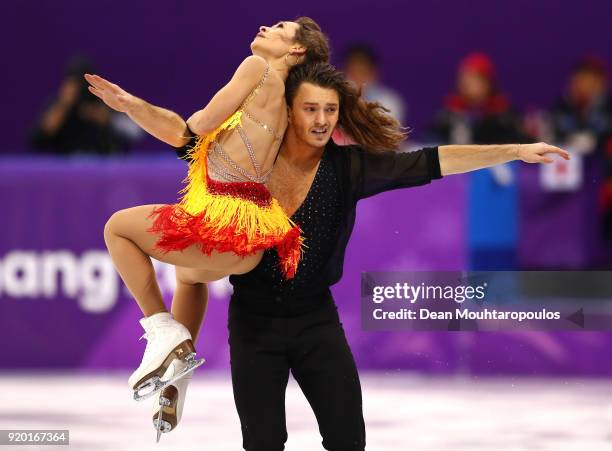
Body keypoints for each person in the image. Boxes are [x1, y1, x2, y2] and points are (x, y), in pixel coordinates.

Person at [129, 61, 569, 449]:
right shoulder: (252, 160)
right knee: (262, 443)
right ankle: (171, 350)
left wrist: (513, 151)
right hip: (253, 324)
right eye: (310, 109)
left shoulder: (351, 166)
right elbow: (183, 137)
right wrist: (129, 105)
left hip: (316, 323)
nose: (321, 120)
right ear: (288, 111)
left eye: (330, 110)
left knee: (347, 440)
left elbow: (432, 161)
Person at [84, 17, 330, 438]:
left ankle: (164, 334)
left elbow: (195, 126)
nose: (265, 26)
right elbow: (183, 137)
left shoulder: (257, 68)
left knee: (117, 229)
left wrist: (200, 119)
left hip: (222, 225)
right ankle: (176, 378)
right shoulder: (285, 102)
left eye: (280, 27)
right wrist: (131, 105)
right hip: (248, 238)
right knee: (188, 277)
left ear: (296, 50)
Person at [31, 56, 141, 155]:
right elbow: (39, 138)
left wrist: (108, 119)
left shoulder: (103, 101)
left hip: (104, 165)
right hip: (66, 166)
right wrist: (64, 105)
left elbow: (135, 132)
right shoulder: (59, 104)